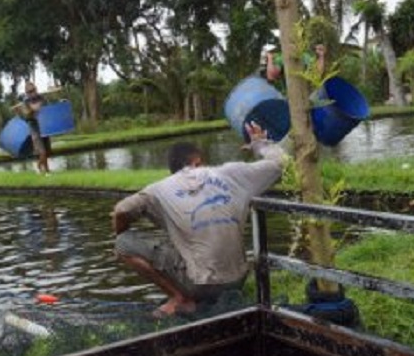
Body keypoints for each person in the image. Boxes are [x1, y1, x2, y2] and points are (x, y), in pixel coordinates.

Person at [113, 121, 287, 318]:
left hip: (199, 286)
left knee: (123, 243)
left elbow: (120, 210)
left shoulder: (157, 189)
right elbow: (279, 162)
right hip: (237, 280)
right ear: (198, 161)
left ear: (173, 169)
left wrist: (121, 232)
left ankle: (179, 298)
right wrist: (259, 143)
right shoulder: (232, 173)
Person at [14, 80, 52, 175]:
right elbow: (27, 114)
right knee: (42, 151)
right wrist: (32, 109)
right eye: (29, 92)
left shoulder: (42, 98)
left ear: (36, 89)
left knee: (47, 151)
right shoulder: (25, 102)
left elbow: (48, 108)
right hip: (34, 128)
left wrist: (42, 106)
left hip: (44, 126)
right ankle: (45, 171)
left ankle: (41, 167)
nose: (32, 93)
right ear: (27, 93)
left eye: (33, 90)